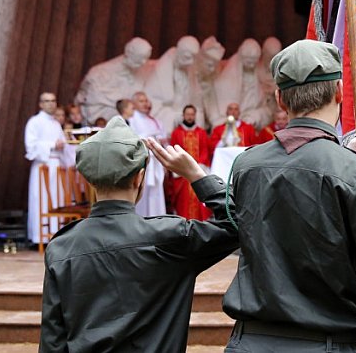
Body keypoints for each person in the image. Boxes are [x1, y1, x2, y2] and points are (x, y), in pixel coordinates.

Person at [223, 39, 356, 353]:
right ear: (339, 91)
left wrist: (343, 161)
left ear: (280, 99)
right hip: (327, 344)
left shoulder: (245, 165)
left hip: (249, 343)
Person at [39, 116, 239, 352]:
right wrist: (196, 174)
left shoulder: (61, 247)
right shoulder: (172, 238)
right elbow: (238, 224)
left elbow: (53, 342)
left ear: (90, 180)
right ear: (139, 177)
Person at [74, 37, 154, 122]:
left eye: (146, 58)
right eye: (140, 58)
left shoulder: (144, 72)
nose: (143, 62)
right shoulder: (100, 73)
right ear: (129, 53)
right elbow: (87, 98)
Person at [25, 92, 67, 245]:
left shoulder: (56, 124)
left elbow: (63, 144)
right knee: (41, 200)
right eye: (47, 101)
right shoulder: (34, 122)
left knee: (57, 200)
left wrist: (62, 146)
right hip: (43, 165)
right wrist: (51, 145)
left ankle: (55, 234)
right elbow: (30, 146)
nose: (51, 103)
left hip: (57, 166)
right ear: (40, 104)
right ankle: (40, 237)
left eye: (53, 101)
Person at [170, 105, 212, 220]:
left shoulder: (201, 132)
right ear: (183, 115)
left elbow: (205, 151)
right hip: (182, 174)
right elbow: (173, 150)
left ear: (195, 116)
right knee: (183, 202)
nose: (190, 117)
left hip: (198, 171)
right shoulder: (176, 133)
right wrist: (183, 167)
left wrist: (199, 165)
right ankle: (183, 223)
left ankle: (200, 224)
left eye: (192, 114)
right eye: (187, 114)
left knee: (199, 198)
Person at [129, 92, 167, 217]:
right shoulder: (131, 120)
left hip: (156, 162)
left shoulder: (154, 121)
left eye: (146, 100)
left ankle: (157, 218)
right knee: (143, 193)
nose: (145, 103)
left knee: (156, 193)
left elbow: (163, 139)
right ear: (134, 104)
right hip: (142, 161)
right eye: (141, 101)